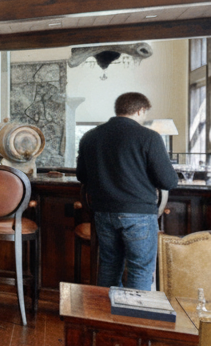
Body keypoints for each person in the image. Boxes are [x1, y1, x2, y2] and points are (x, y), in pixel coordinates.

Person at [76, 91, 178, 290]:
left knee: (108, 266)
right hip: (138, 213)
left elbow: (82, 176)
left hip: (103, 212)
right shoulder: (149, 137)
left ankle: (106, 317)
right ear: (140, 110)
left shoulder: (90, 136)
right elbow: (168, 181)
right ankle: (132, 318)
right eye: (145, 113)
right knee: (139, 268)